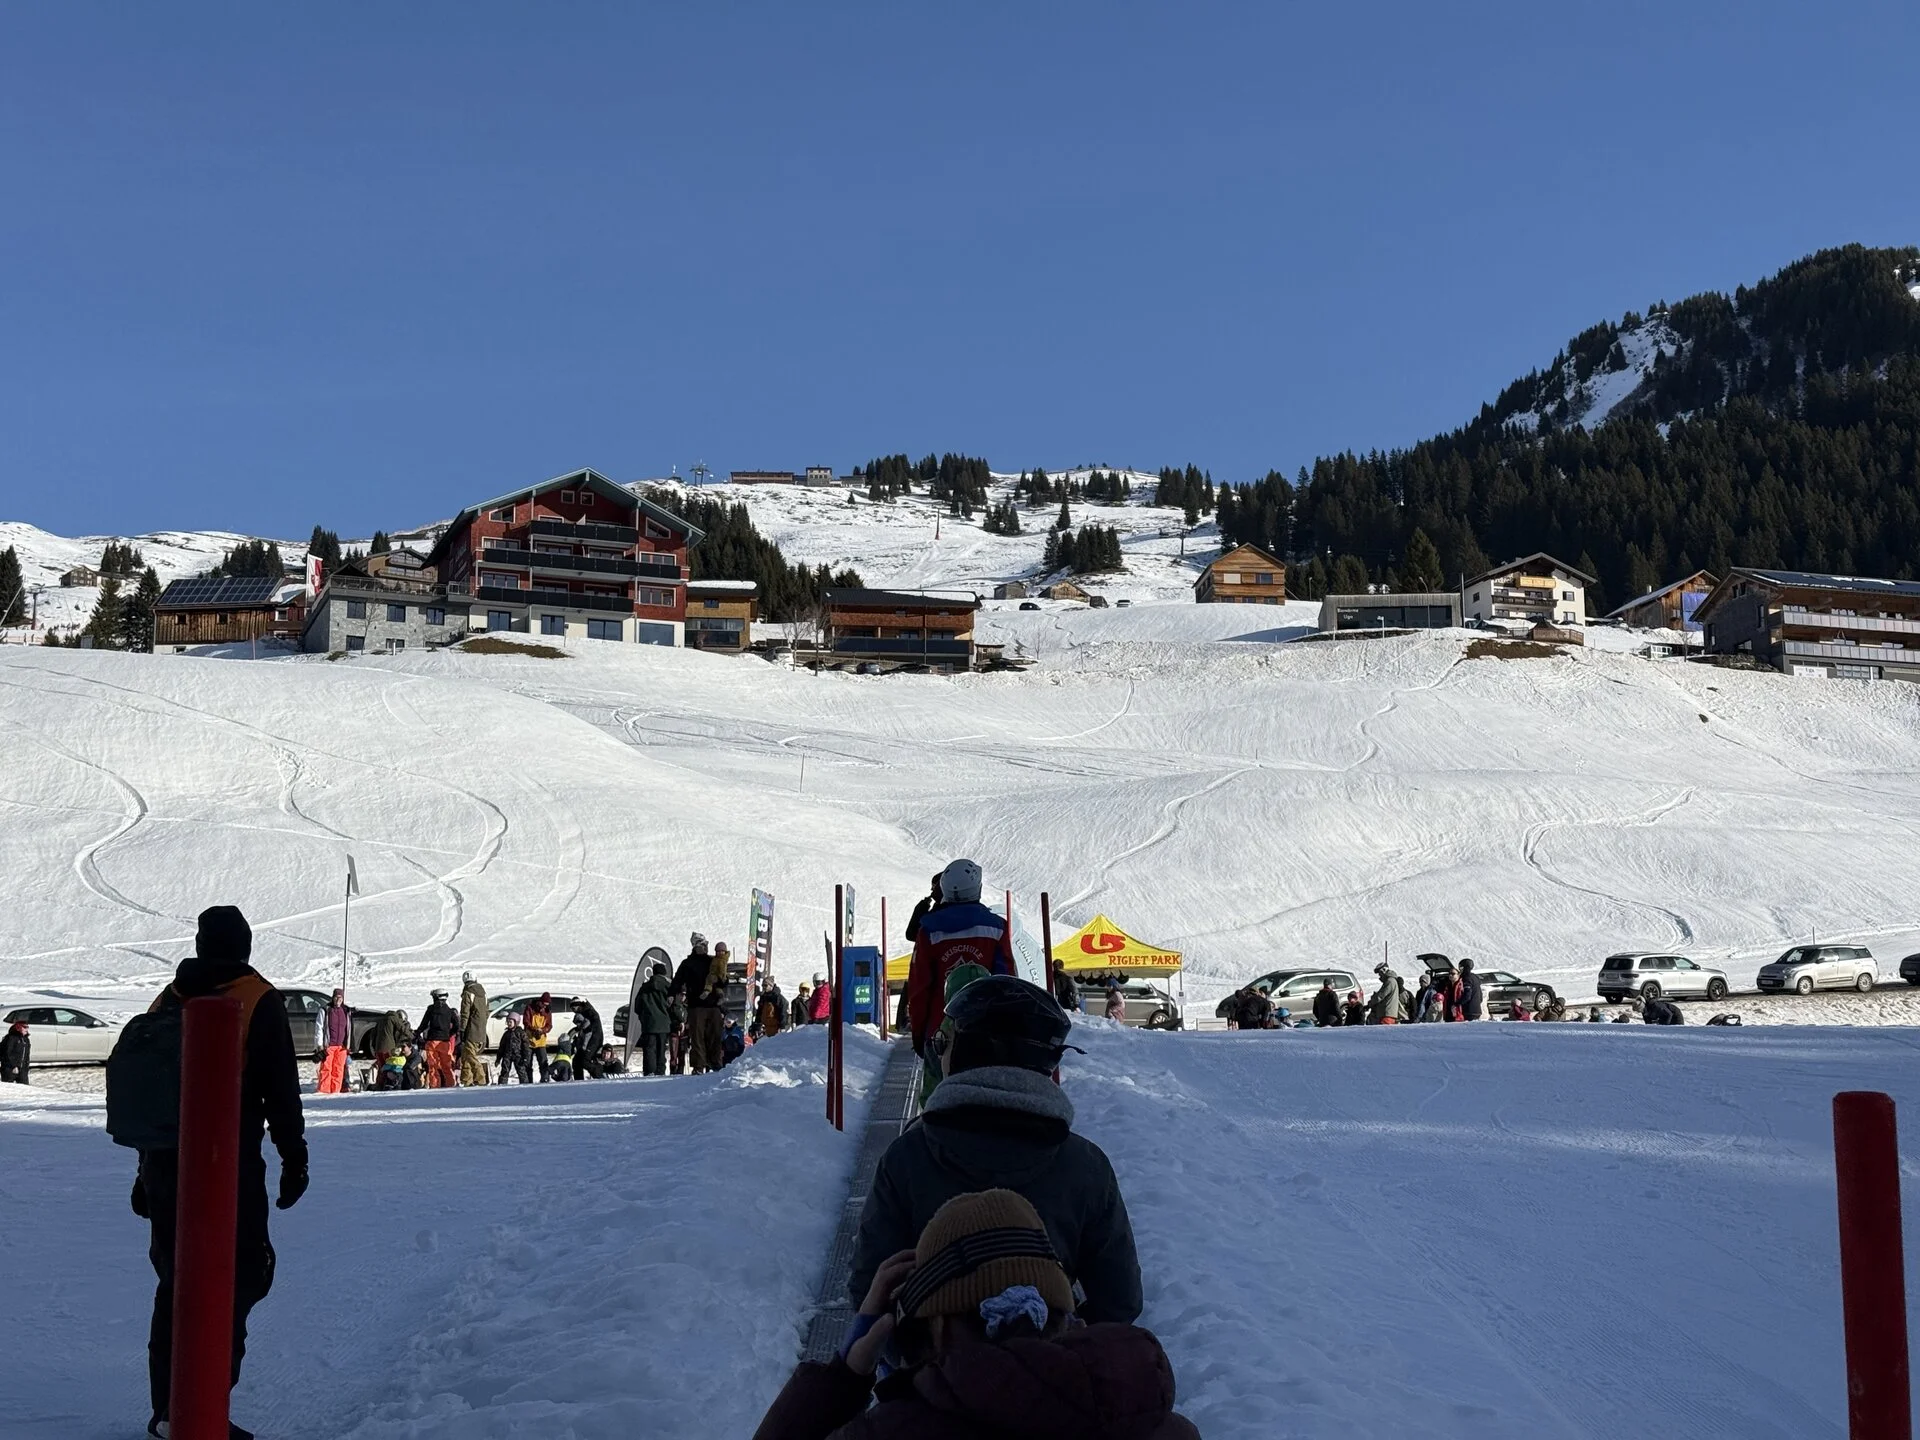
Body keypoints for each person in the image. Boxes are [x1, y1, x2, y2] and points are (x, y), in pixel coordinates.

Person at [757, 1189, 1198, 1440]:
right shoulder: (1160, 1428)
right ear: (1064, 1316)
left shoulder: (888, 1433)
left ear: (935, 1327)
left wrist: (844, 1375)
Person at [848, 974, 1142, 1327]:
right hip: (1051, 1369)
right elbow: (1120, 1301)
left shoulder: (906, 1157)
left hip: (931, 1373)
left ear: (965, 1053)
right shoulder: (1086, 1166)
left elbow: (869, 1291)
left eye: (943, 1044)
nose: (937, 1054)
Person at [130, 906, 305, 1440]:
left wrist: (144, 1172)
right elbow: (280, 1089)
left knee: (175, 1282)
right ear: (245, 947)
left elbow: (150, 1091)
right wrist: (293, 1158)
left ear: (203, 946)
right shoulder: (256, 998)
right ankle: (201, 1409)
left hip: (164, 1165)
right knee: (240, 1276)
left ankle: (170, 1409)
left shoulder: (169, 997)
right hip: (226, 1167)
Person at [905, 858, 1015, 1098]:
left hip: (939, 1032)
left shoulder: (929, 931)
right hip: (986, 1030)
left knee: (936, 1100)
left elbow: (920, 987)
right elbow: (1006, 982)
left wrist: (919, 1033)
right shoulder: (997, 928)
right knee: (984, 1099)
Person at [672, 933, 728, 1074]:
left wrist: (722, 980)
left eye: (706, 945)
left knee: (715, 1036)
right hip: (696, 1006)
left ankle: (715, 1064)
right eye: (703, 945)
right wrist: (671, 994)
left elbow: (723, 977)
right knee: (697, 1038)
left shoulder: (712, 961)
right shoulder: (687, 963)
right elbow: (677, 980)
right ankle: (699, 1066)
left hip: (714, 1005)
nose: (706, 947)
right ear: (696, 946)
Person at [635, 961, 674, 1076]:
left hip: (648, 1024)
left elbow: (637, 1006)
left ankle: (649, 1071)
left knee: (649, 1049)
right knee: (661, 1050)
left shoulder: (644, 987)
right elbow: (674, 1006)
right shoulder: (668, 987)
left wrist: (643, 1017)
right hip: (664, 1024)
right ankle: (660, 1071)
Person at [414, 988, 458, 1088]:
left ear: (435, 997)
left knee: (432, 1066)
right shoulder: (450, 1011)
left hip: (432, 1041)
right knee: (446, 1066)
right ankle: (451, 1085)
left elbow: (424, 1024)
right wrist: (449, 1033)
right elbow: (457, 1026)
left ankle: (435, 1086)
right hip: (445, 1042)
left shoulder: (431, 1009)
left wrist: (417, 1033)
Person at [458, 972, 490, 1087]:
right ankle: (467, 1080)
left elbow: (464, 1014)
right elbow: (486, 1013)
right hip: (481, 1030)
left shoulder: (468, 993)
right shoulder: (484, 994)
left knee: (470, 1056)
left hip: (471, 1031)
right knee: (466, 1056)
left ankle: (481, 1079)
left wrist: (462, 1029)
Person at [317, 988, 352, 1094]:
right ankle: (324, 1091)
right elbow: (319, 1028)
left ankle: (335, 1091)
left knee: (339, 1069)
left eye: (340, 997)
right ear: (333, 997)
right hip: (329, 1045)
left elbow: (349, 1029)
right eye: (336, 997)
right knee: (326, 1069)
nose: (338, 999)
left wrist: (349, 1045)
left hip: (341, 1047)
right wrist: (319, 1044)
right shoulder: (326, 1010)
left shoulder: (346, 1011)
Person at [524, 993, 555, 1081]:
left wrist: (543, 1030)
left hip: (541, 1041)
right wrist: (534, 1029)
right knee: (527, 1063)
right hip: (529, 1040)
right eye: (544, 1005)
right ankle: (528, 1081)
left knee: (543, 1062)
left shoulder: (548, 1011)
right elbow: (526, 1022)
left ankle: (545, 1079)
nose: (544, 1007)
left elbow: (549, 1025)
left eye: (546, 1005)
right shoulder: (530, 1008)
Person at [569, 1000, 604, 1078]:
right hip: (586, 1045)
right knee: (576, 1061)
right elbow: (581, 1038)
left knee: (585, 1061)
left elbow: (588, 1038)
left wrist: (585, 1049)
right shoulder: (583, 1024)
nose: (573, 1011)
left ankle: (599, 1075)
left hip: (593, 1043)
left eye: (573, 1009)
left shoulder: (590, 1016)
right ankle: (579, 1081)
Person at [496, 1011, 533, 1084]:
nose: (509, 1024)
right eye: (507, 1022)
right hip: (507, 1055)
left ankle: (525, 1085)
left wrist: (526, 1058)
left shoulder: (521, 1033)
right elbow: (501, 1047)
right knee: (504, 1071)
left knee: (521, 1071)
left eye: (510, 1022)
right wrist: (498, 1058)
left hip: (518, 1056)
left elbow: (526, 1047)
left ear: (516, 1022)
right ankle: (502, 1084)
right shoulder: (506, 1034)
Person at [1, 1017, 28, 1083]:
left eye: (27, 1027)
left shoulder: (25, 1039)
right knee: (9, 1086)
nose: (26, 1029)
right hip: (10, 1068)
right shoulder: (11, 1038)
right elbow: (7, 1053)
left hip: (22, 1069)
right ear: (18, 1028)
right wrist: (13, 1066)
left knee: (24, 1087)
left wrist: (26, 1067)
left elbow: (26, 1055)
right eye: (24, 1027)